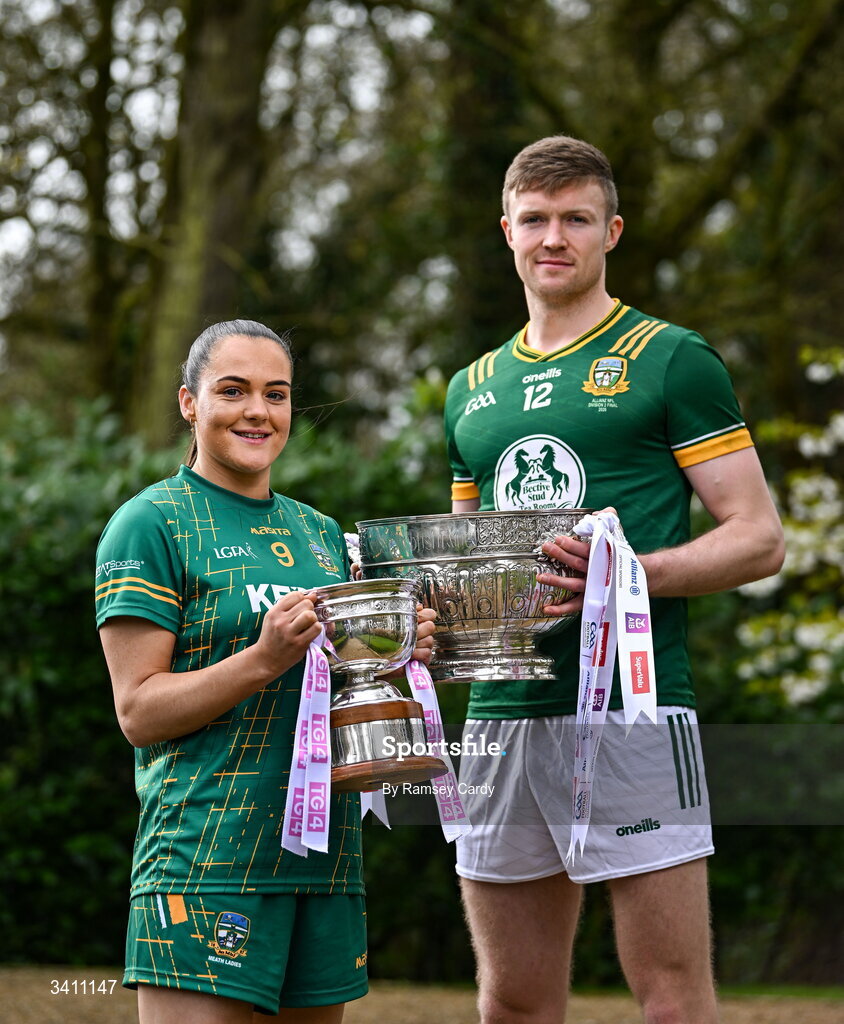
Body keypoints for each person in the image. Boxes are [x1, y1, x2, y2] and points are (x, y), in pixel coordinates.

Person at [443, 136, 785, 1023]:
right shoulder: (469, 390)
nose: (553, 237)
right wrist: (421, 605)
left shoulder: (672, 358)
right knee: (512, 1003)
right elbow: (477, 560)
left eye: (576, 219)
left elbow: (757, 539)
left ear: (611, 231)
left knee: (671, 999)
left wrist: (625, 575)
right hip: (500, 718)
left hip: (634, 711)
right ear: (506, 231)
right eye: (536, 219)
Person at [95, 319, 435, 1024]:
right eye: (233, 390)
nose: (258, 410)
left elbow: (338, 692)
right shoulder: (150, 523)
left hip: (325, 861)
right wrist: (261, 658)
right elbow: (138, 712)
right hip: (205, 863)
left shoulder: (319, 532)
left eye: (275, 394)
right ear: (189, 403)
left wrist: (395, 653)